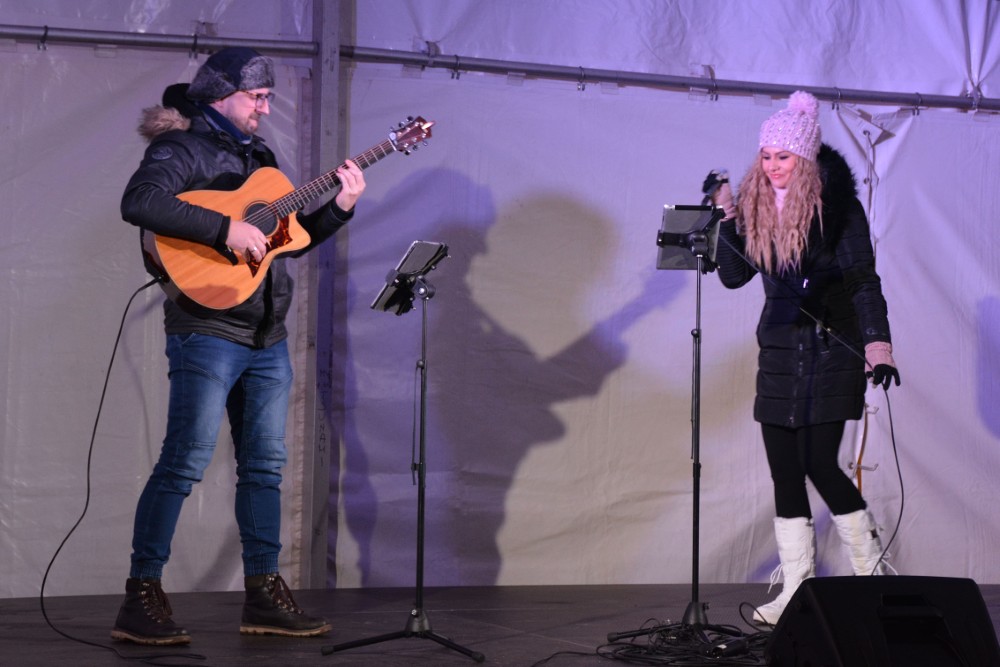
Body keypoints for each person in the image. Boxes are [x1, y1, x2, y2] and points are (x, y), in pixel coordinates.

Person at [111, 47, 365, 645]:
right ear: (220, 94)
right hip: (206, 329)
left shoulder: (261, 160)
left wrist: (340, 208)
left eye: (268, 97)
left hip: (266, 333)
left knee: (264, 468)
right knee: (184, 460)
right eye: (257, 96)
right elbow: (139, 202)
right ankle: (140, 595)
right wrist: (226, 226)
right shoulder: (180, 148)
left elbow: (285, 242)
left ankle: (263, 594)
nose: (266, 107)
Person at [708, 91, 900, 626]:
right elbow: (733, 275)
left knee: (819, 463)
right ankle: (796, 588)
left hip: (830, 348)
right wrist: (726, 213)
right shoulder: (754, 207)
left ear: (806, 158)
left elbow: (862, 280)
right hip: (779, 352)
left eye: (784, 156)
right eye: (767, 155)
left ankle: (871, 579)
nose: (773, 166)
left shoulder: (838, 210)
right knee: (785, 473)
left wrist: (877, 347)